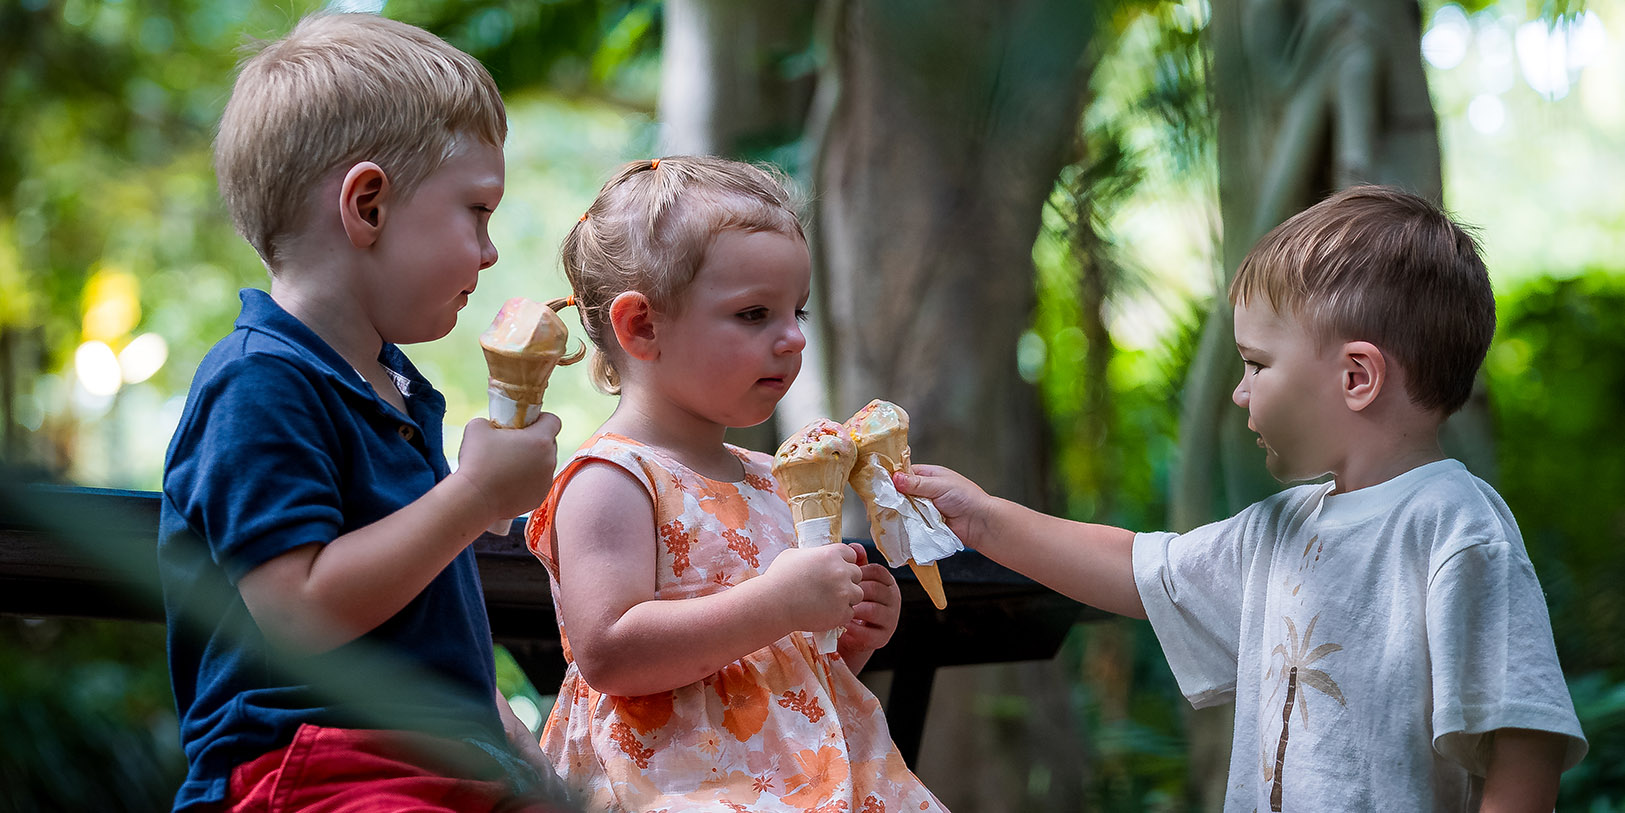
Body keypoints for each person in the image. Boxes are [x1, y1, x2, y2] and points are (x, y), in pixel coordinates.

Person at [896, 185, 1587, 811]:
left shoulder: (1452, 527)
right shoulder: (1281, 527)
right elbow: (1139, 568)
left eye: (1256, 363)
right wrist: (982, 518)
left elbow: (1524, 743)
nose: (1239, 389)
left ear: (1356, 376)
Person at [158, 13, 568, 812]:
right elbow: (300, 612)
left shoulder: (395, 387)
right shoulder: (259, 384)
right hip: (310, 767)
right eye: (476, 211)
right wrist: (476, 497)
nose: (489, 252)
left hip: (426, 768)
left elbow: (424, 637)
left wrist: (516, 750)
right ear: (368, 205)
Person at [523, 155, 946, 811]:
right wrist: (780, 603)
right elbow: (610, 653)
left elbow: (775, 693)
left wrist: (843, 638)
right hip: (671, 784)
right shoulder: (611, 478)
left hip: (805, 783)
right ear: (641, 326)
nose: (791, 339)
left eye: (796, 312)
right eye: (754, 314)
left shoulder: (770, 478)